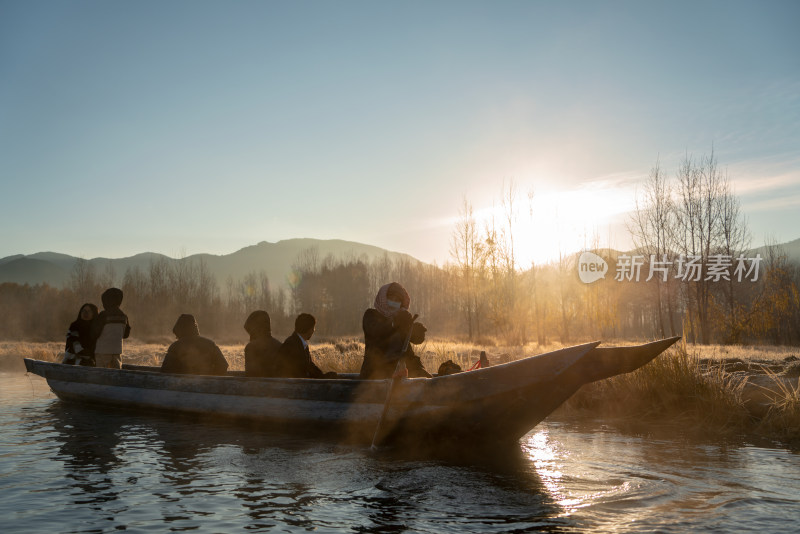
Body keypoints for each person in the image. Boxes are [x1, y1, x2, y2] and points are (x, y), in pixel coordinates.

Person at [359, 282, 430, 379]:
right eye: (391, 298)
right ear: (383, 298)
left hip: (405, 367)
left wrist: (416, 331)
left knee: (428, 382)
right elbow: (377, 331)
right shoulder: (371, 315)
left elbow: (416, 339)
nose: (394, 302)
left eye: (397, 300)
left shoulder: (402, 317)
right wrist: (395, 323)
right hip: (377, 370)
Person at [160, 314, 229, 375]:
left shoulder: (176, 346)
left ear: (180, 330)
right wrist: (211, 378)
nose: (176, 338)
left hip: (182, 387)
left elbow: (166, 371)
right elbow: (223, 365)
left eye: (177, 335)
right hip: (209, 387)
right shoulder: (210, 344)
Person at [276, 313, 332, 378]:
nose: (314, 330)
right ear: (309, 329)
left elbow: (310, 366)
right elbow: (300, 370)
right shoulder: (292, 344)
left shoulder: (299, 342)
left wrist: (323, 376)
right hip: (292, 386)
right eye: (313, 327)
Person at [92, 287, 131, 369]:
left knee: (101, 375)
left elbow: (95, 333)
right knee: (115, 374)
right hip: (117, 351)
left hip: (102, 351)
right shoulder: (124, 317)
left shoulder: (103, 315)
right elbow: (126, 335)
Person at [243, 310, 282, 377]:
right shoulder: (280, 345)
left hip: (259, 386)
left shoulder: (251, 348)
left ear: (254, 329)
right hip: (280, 386)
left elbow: (250, 376)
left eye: (250, 332)